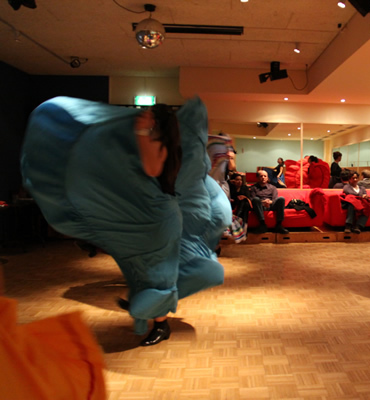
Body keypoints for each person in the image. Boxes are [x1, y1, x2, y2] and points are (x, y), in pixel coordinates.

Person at [21, 96, 230, 347]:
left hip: (156, 220)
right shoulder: (172, 148)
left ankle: (159, 323)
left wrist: (141, 131)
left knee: (156, 273)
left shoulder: (160, 145)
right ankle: (148, 312)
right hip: (156, 216)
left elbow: (151, 169)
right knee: (148, 270)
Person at [250, 170, 289, 234]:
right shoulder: (253, 188)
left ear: (267, 178)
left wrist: (269, 202)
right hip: (260, 206)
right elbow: (252, 199)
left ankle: (279, 225)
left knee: (281, 199)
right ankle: (262, 225)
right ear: (257, 178)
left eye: (265, 176)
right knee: (255, 199)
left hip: (271, 205)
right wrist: (263, 202)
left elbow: (275, 199)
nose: (263, 178)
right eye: (261, 176)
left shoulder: (272, 187)